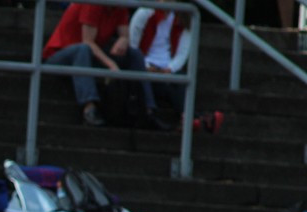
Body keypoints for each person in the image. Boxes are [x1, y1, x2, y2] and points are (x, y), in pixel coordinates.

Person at [42, 2, 170, 129]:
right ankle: (89, 109)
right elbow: (88, 42)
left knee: (134, 54)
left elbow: (124, 34)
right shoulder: (93, 4)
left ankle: (148, 110)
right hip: (59, 55)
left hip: (89, 56)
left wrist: (123, 40)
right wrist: (111, 65)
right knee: (83, 49)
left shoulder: (119, 6)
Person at [129, 4, 224, 135]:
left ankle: (191, 118)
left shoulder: (184, 16)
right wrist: (145, 67)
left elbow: (183, 53)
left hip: (167, 70)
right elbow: (133, 46)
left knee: (179, 80)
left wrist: (169, 68)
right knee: (170, 84)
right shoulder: (144, 13)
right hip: (144, 67)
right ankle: (197, 118)